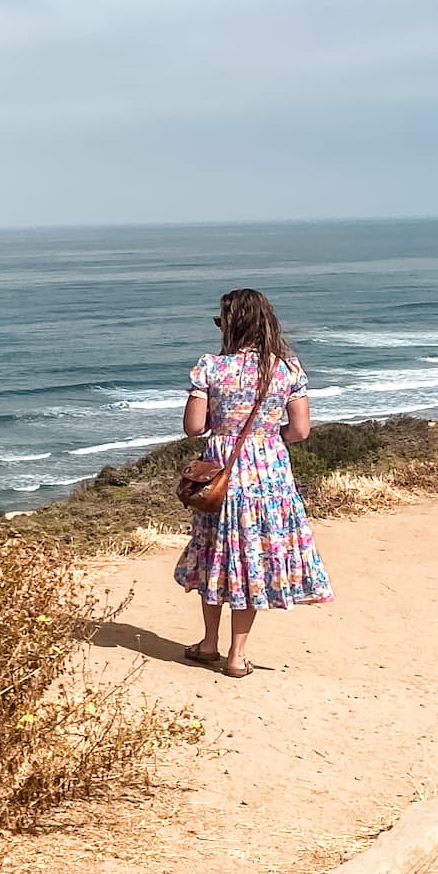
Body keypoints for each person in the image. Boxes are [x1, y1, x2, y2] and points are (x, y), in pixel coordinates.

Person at [175, 288, 331, 675]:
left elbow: (194, 428)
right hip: (269, 472)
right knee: (253, 559)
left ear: (232, 325)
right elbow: (300, 430)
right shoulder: (287, 369)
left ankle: (209, 644)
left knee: (216, 555)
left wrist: (221, 426)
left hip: (222, 471)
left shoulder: (211, 367)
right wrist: (265, 436)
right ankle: (237, 656)